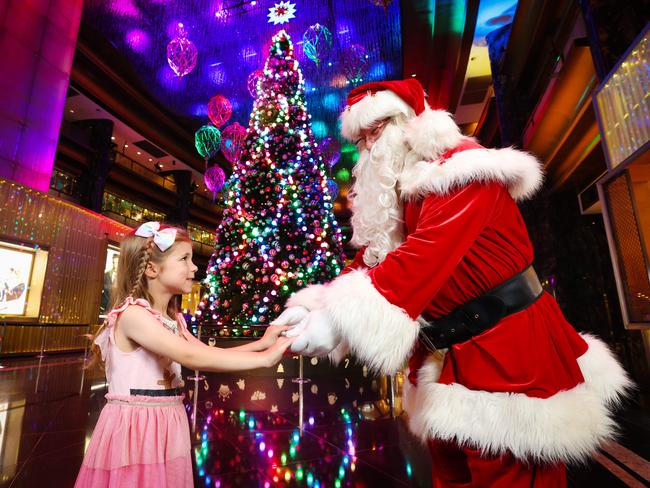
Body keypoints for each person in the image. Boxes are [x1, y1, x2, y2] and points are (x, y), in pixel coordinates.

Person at [274, 79, 631, 487]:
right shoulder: (403, 198)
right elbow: (371, 260)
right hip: (448, 359)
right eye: (361, 138)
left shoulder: (462, 169)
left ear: (410, 122)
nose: (369, 146)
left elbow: (424, 255)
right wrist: (316, 305)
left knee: (512, 474)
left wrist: (337, 320)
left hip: (510, 353)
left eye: (376, 129)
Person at [75, 221, 294, 487]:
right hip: (137, 429)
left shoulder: (173, 320)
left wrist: (262, 343)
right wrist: (266, 359)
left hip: (167, 421)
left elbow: (203, 353)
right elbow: (189, 358)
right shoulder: (133, 316)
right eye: (185, 259)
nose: (194, 268)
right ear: (152, 268)